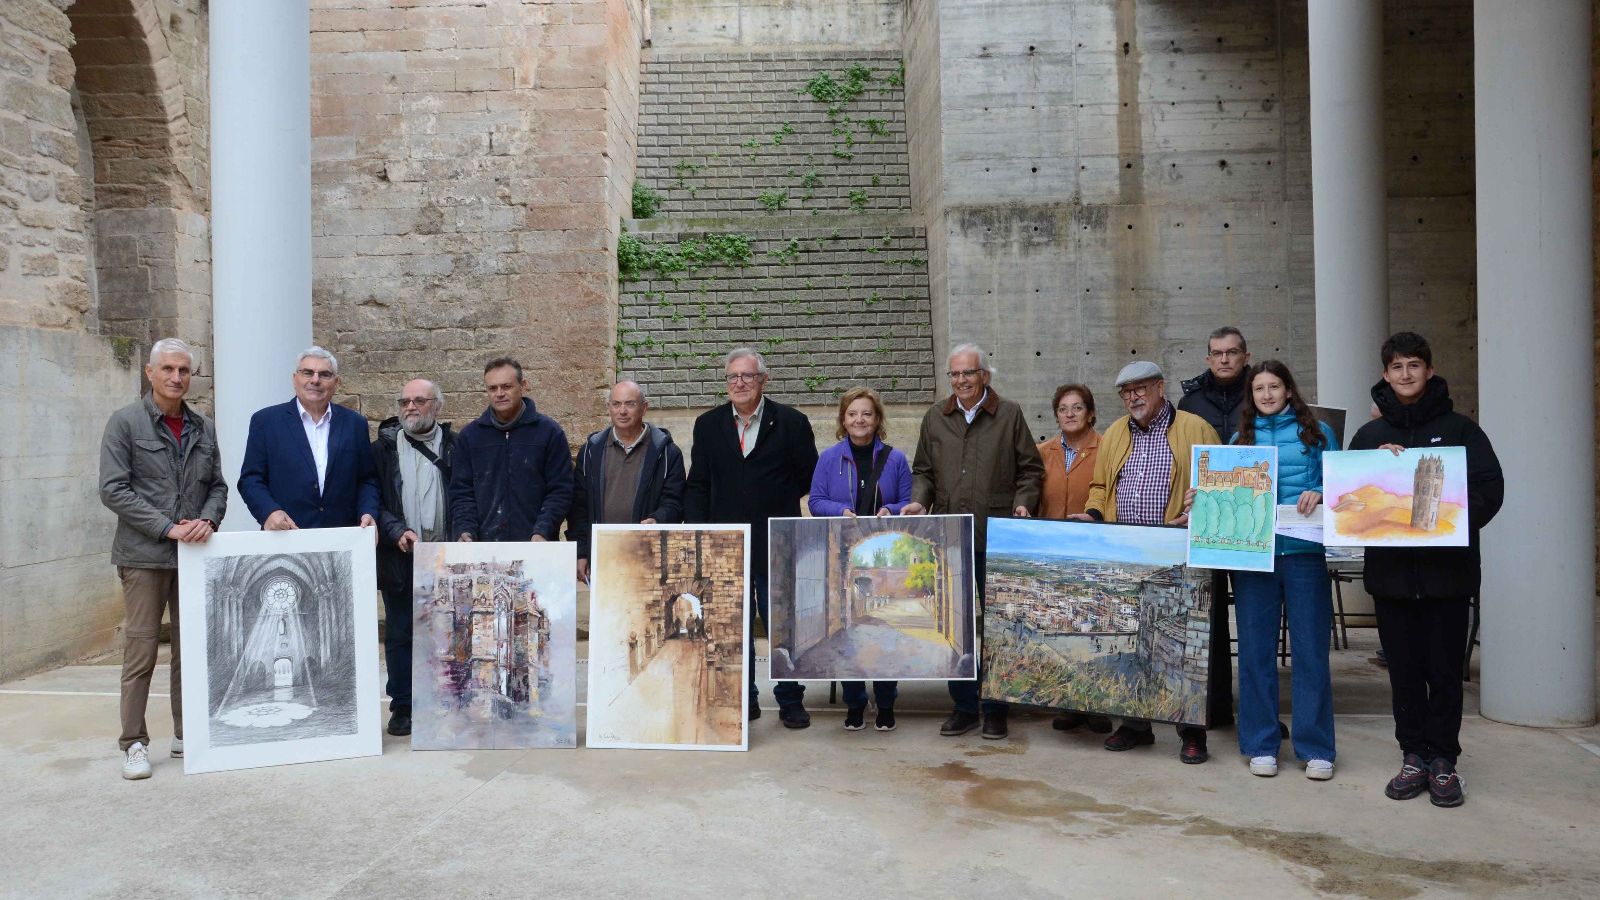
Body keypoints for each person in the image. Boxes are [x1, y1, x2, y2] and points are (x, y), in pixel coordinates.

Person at [1350, 332, 1502, 808]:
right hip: (1392, 580)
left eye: (1414, 365)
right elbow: (1349, 498)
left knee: (1444, 672)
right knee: (1406, 674)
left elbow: (1489, 489)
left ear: (1429, 371)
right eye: (1397, 367)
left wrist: (1451, 521)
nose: (1406, 374)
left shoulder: (1461, 431)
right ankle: (1413, 755)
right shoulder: (1370, 438)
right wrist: (1368, 471)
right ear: (1385, 375)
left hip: (1447, 578)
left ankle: (1444, 761)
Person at [1075, 360, 1220, 762]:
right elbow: (1101, 486)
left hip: (1180, 550)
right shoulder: (1116, 434)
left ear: (1160, 387)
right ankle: (1135, 725)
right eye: (1125, 392)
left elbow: (1218, 486)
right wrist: (1094, 514)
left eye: (1140, 389)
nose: (1133, 397)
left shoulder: (1196, 429)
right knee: (1138, 639)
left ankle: (1192, 732)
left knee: (1186, 644)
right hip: (1130, 551)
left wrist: (1201, 510)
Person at [98, 338, 228, 780]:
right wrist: (167, 528)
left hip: (193, 558)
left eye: (184, 370)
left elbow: (218, 487)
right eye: (168, 369)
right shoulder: (125, 423)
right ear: (150, 373)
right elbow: (113, 489)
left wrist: (207, 522)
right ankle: (133, 742)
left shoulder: (203, 427)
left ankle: (186, 733)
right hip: (143, 558)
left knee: (192, 652)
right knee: (142, 651)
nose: (176, 377)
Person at [903, 343, 1044, 740]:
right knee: (956, 624)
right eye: (955, 374)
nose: (961, 381)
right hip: (950, 536)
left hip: (995, 534)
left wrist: (1022, 505)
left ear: (985, 375)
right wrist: (918, 501)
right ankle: (964, 706)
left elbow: (1030, 470)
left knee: (998, 624)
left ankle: (996, 707)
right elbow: (924, 471)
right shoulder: (935, 417)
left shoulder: (1010, 414)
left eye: (968, 373)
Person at [684, 348, 818, 727]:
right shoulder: (707, 425)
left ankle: (791, 699)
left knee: (781, 625)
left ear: (764, 379)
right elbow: (699, 484)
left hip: (776, 544)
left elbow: (809, 477)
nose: (739, 383)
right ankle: (747, 697)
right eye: (732, 377)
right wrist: (697, 532)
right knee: (733, 627)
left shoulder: (792, 422)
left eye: (747, 376)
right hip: (726, 547)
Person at [1228, 360, 1339, 780]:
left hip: (1304, 554)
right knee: (1256, 653)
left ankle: (1316, 748)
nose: (1268, 394)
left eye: (1275, 386)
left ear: (1289, 390)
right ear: (1251, 396)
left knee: (1311, 651)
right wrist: (1203, 498)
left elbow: (1343, 486)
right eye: (1259, 389)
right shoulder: (1241, 439)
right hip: (1255, 558)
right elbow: (1229, 495)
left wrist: (1322, 491)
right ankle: (1261, 742)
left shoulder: (1318, 434)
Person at [808, 386, 914, 732]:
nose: (859, 419)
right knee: (848, 629)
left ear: (877, 419)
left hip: (881, 554)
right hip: (843, 556)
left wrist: (891, 509)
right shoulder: (829, 458)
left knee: (882, 629)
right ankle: (854, 702)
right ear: (843, 419)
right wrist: (841, 510)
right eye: (852, 414)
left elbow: (911, 503)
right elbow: (815, 502)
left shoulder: (895, 459)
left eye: (866, 413)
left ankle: (885, 703)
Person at [372, 378, 455, 737]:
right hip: (400, 555)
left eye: (420, 401)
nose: (411, 407)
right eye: (404, 401)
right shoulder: (383, 450)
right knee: (401, 632)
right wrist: (394, 530)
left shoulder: (456, 446)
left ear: (437, 406)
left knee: (448, 630)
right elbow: (372, 498)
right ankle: (403, 705)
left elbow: (466, 493)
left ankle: (445, 700)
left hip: (446, 557)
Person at [1037, 383, 1111, 735]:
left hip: (1093, 553)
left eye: (1077, 407)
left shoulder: (1107, 449)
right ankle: (1068, 703)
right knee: (1062, 629)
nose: (1069, 414)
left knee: (1092, 629)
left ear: (1091, 412)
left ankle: (1096, 705)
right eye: (1063, 408)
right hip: (1054, 552)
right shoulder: (1042, 452)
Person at [238, 347, 379, 531]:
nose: (315, 380)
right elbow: (251, 479)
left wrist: (368, 512)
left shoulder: (354, 423)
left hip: (342, 537)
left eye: (325, 374)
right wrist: (269, 512)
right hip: (286, 536)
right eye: (307, 373)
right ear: (295, 378)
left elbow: (367, 479)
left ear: (336, 382)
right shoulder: (266, 422)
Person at [567, 380, 686, 584]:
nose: (622, 411)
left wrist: (658, 519)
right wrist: (581, 552)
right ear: (609, 408)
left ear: (644, 408)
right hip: (603, 556)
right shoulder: (591, 451)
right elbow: (579, 507)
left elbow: (676, 501)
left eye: (630, 404)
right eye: (616, 404)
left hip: (649, 555)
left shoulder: (666, 453)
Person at [449, 357, 574, 543]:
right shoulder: (470, 437)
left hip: (537, 546)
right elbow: (461, 492)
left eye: (506, 386)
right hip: (484, 548)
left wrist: (543, 530)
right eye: (492, 388)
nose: (499, 393)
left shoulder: (549, 433)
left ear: (523, 386)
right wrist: (465, 530)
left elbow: (561, 489)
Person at [1179, 326, 1252, 438]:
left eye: (1232, 352)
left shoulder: (1262, 396)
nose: (1224, 360)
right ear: (1209, 360)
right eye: (1217, 354)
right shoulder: (1190, 402)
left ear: (1246, 358)